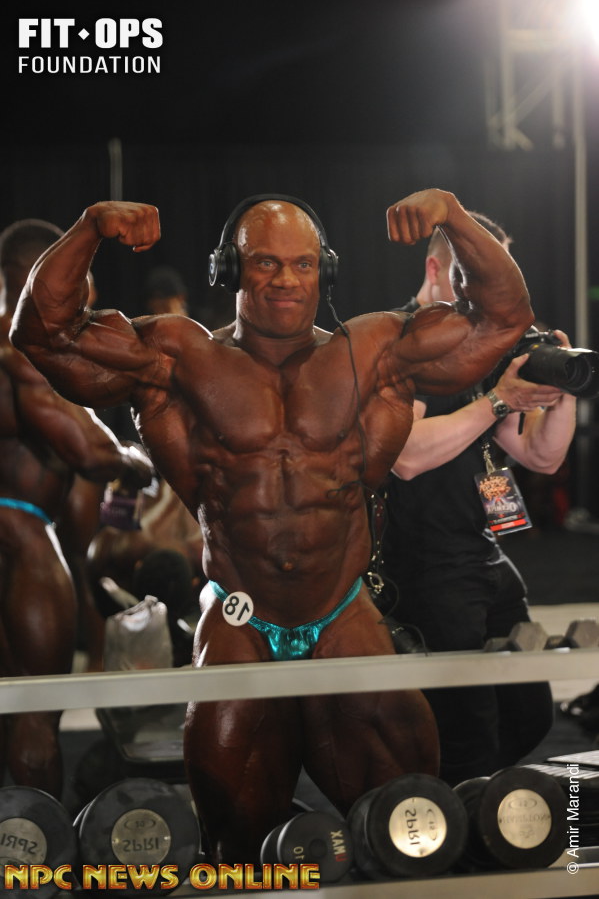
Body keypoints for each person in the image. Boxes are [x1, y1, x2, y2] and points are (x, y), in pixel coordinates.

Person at [10, 189, 535, 862]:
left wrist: (455, 216)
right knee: (236, 841)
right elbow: (43, 333)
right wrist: (88, 228)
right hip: (241, 619)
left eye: (303, 264)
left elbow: (503, 318)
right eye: (264, 262)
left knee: (409, 829)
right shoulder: (177, 358)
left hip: (343, 615)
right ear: (229, 269)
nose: (286, 279)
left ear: (325, 271)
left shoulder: (373, 353)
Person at [380, 212, 577, 785]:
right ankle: (451, 819)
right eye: (476, 275)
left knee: (529, 714)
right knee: (468, 732)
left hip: (483, 554)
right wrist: (497, 400)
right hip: (425, 565)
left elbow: (539, 455)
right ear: (435, 270)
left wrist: (563, 390)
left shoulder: (479, 345)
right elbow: (405, 455)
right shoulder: (403, 343)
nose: (490, 291)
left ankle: (471, 805)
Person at [0, 219, 154, 797]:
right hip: (17, 536)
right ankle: (41, 846)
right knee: (35, 711)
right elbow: (90, 453)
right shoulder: (22, 352)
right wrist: (136, 461)